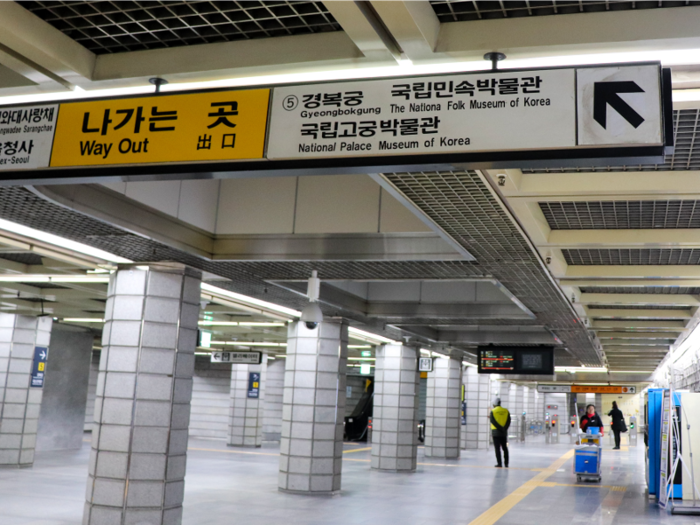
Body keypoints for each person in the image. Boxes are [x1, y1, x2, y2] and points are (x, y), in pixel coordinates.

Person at [490, 397, 511, 468]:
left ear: (494, 404)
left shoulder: (493, 411)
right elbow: (508, 421)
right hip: (503, 433)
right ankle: (506, 463)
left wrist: (499, 428)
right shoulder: (506, 411)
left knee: (497, 448)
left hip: (495, 432)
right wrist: (504, 428)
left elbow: (493, 421)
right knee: (505, 448)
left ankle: (499, 463)